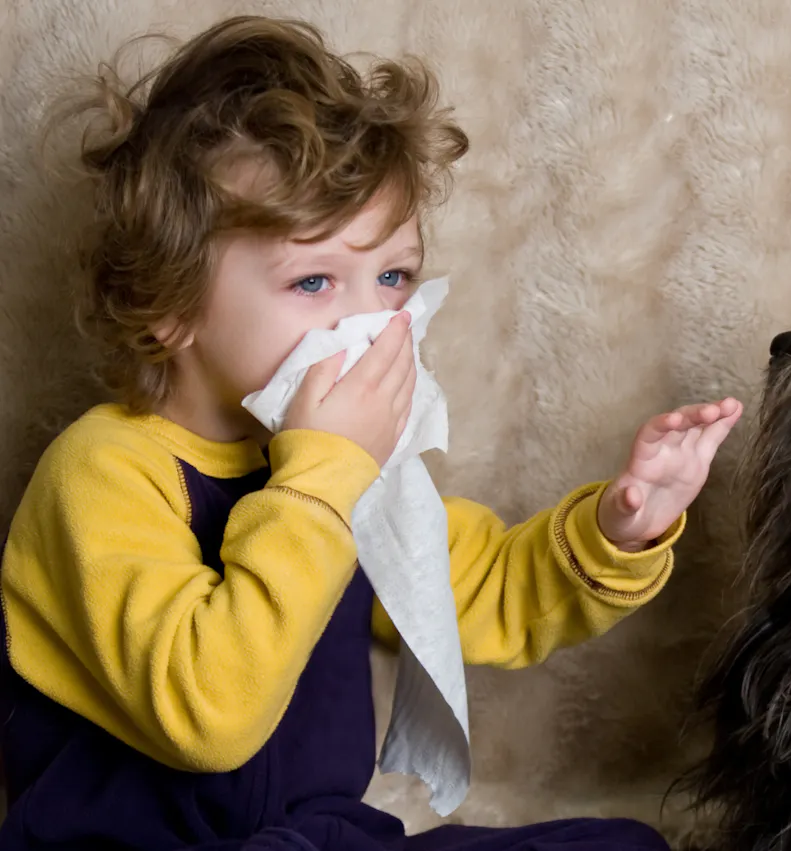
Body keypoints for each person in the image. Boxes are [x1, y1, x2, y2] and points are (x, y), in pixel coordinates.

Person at [0, 15, 742, 851]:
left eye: (393, 276)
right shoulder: (103, 472)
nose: (369, 319)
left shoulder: (347, 466)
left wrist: (618, 528)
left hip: (318, 837)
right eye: (313, 279)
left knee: (622, 847)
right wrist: (321, 473)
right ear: (170, 305)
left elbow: (482, 590)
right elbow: (206, 712)